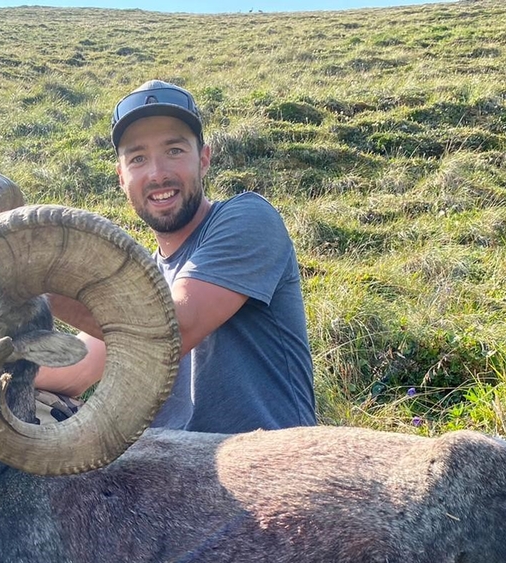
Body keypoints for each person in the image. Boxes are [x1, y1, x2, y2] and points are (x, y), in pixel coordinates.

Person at [35, 79, 317, 434]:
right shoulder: (143, 277)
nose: (157, 174)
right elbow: (76, 371)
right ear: (122, 177)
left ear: (204, 159)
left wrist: (36, 280)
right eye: (138, 158)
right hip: (163, 470)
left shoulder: (248, 219)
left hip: (263, 466)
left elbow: (171, 327)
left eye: (174, 151)